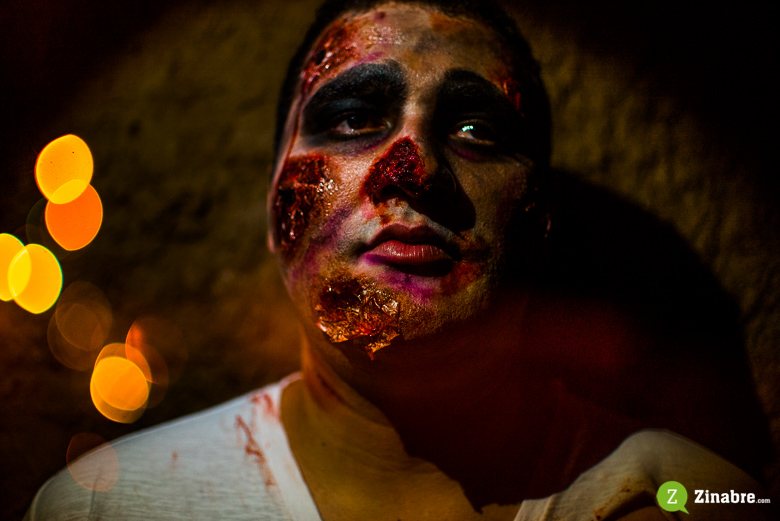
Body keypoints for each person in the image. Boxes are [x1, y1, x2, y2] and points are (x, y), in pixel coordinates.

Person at [25, 0, 772, 519]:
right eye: (353, 117)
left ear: (539, 222)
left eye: (476, 130)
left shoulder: (692, 497)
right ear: (274, 209)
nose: (413, 167)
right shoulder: (104, 506)